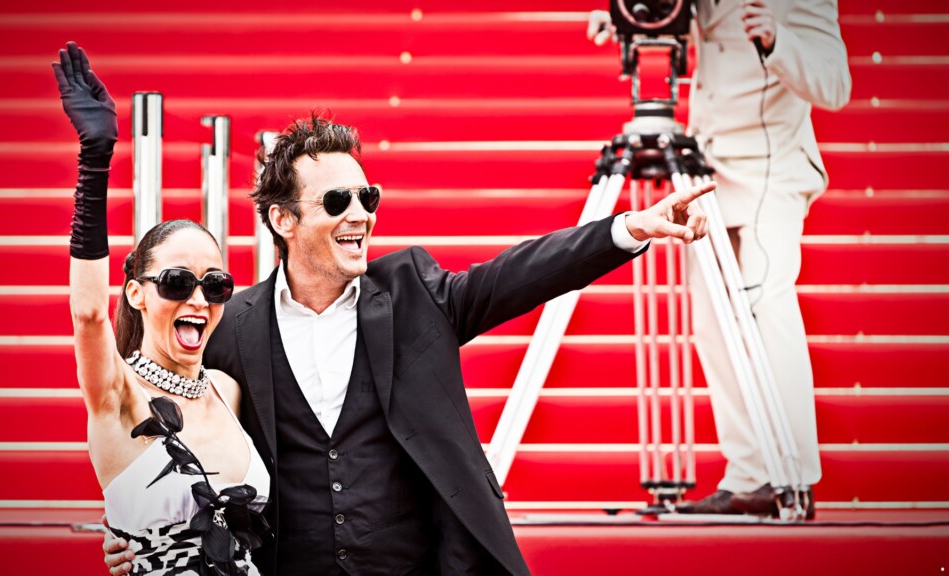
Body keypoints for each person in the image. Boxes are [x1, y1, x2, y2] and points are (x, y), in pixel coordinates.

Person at [105, 113, 714, 573]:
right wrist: (132, 532)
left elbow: (517, 275)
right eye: (337, 201)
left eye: (366, 197)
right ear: (283, 220)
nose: (360, 214)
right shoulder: (232, 326)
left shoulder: (413, 292)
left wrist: (629, 228)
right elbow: (176, 433)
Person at [588, 0, 851, 518]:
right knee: (712, 325)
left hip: (769, 174)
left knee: (769, 313)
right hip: (707, 172)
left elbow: (835, 84)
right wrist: (628, 19)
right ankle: (749, 475)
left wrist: (778, 40)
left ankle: (792, 475)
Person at [57, 41, 270, 575]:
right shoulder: (117, 394)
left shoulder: (228, 391)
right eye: (177, 282)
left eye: (215, 285)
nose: (198, 299)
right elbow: (88, 314)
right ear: (137, 293)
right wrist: (94, 160)